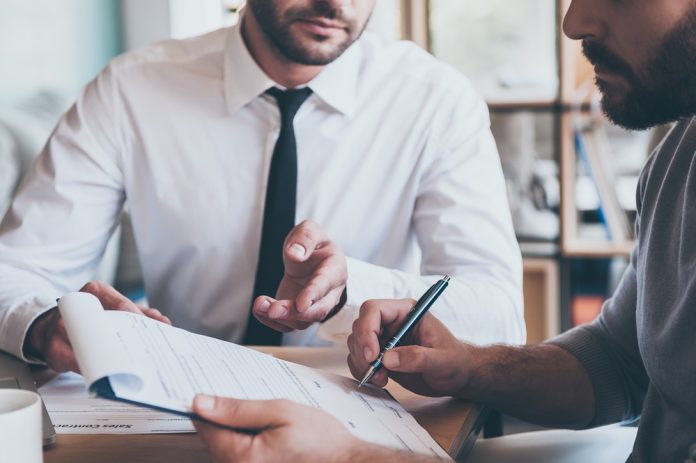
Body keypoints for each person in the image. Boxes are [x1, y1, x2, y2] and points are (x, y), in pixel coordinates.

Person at [188, 0, 696, 462]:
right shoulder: (677, 155)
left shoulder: (432, 96)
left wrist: (351, 458)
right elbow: (619, 364)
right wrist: (470, 366)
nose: (573, 23)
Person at [0, 0, 523, 372]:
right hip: (179, 405)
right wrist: (45, 324)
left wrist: (351, 290)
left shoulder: (435, 100)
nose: (334, 2)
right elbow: (16, 270)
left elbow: (499, 315)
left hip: (367, 406)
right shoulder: (129, 91)